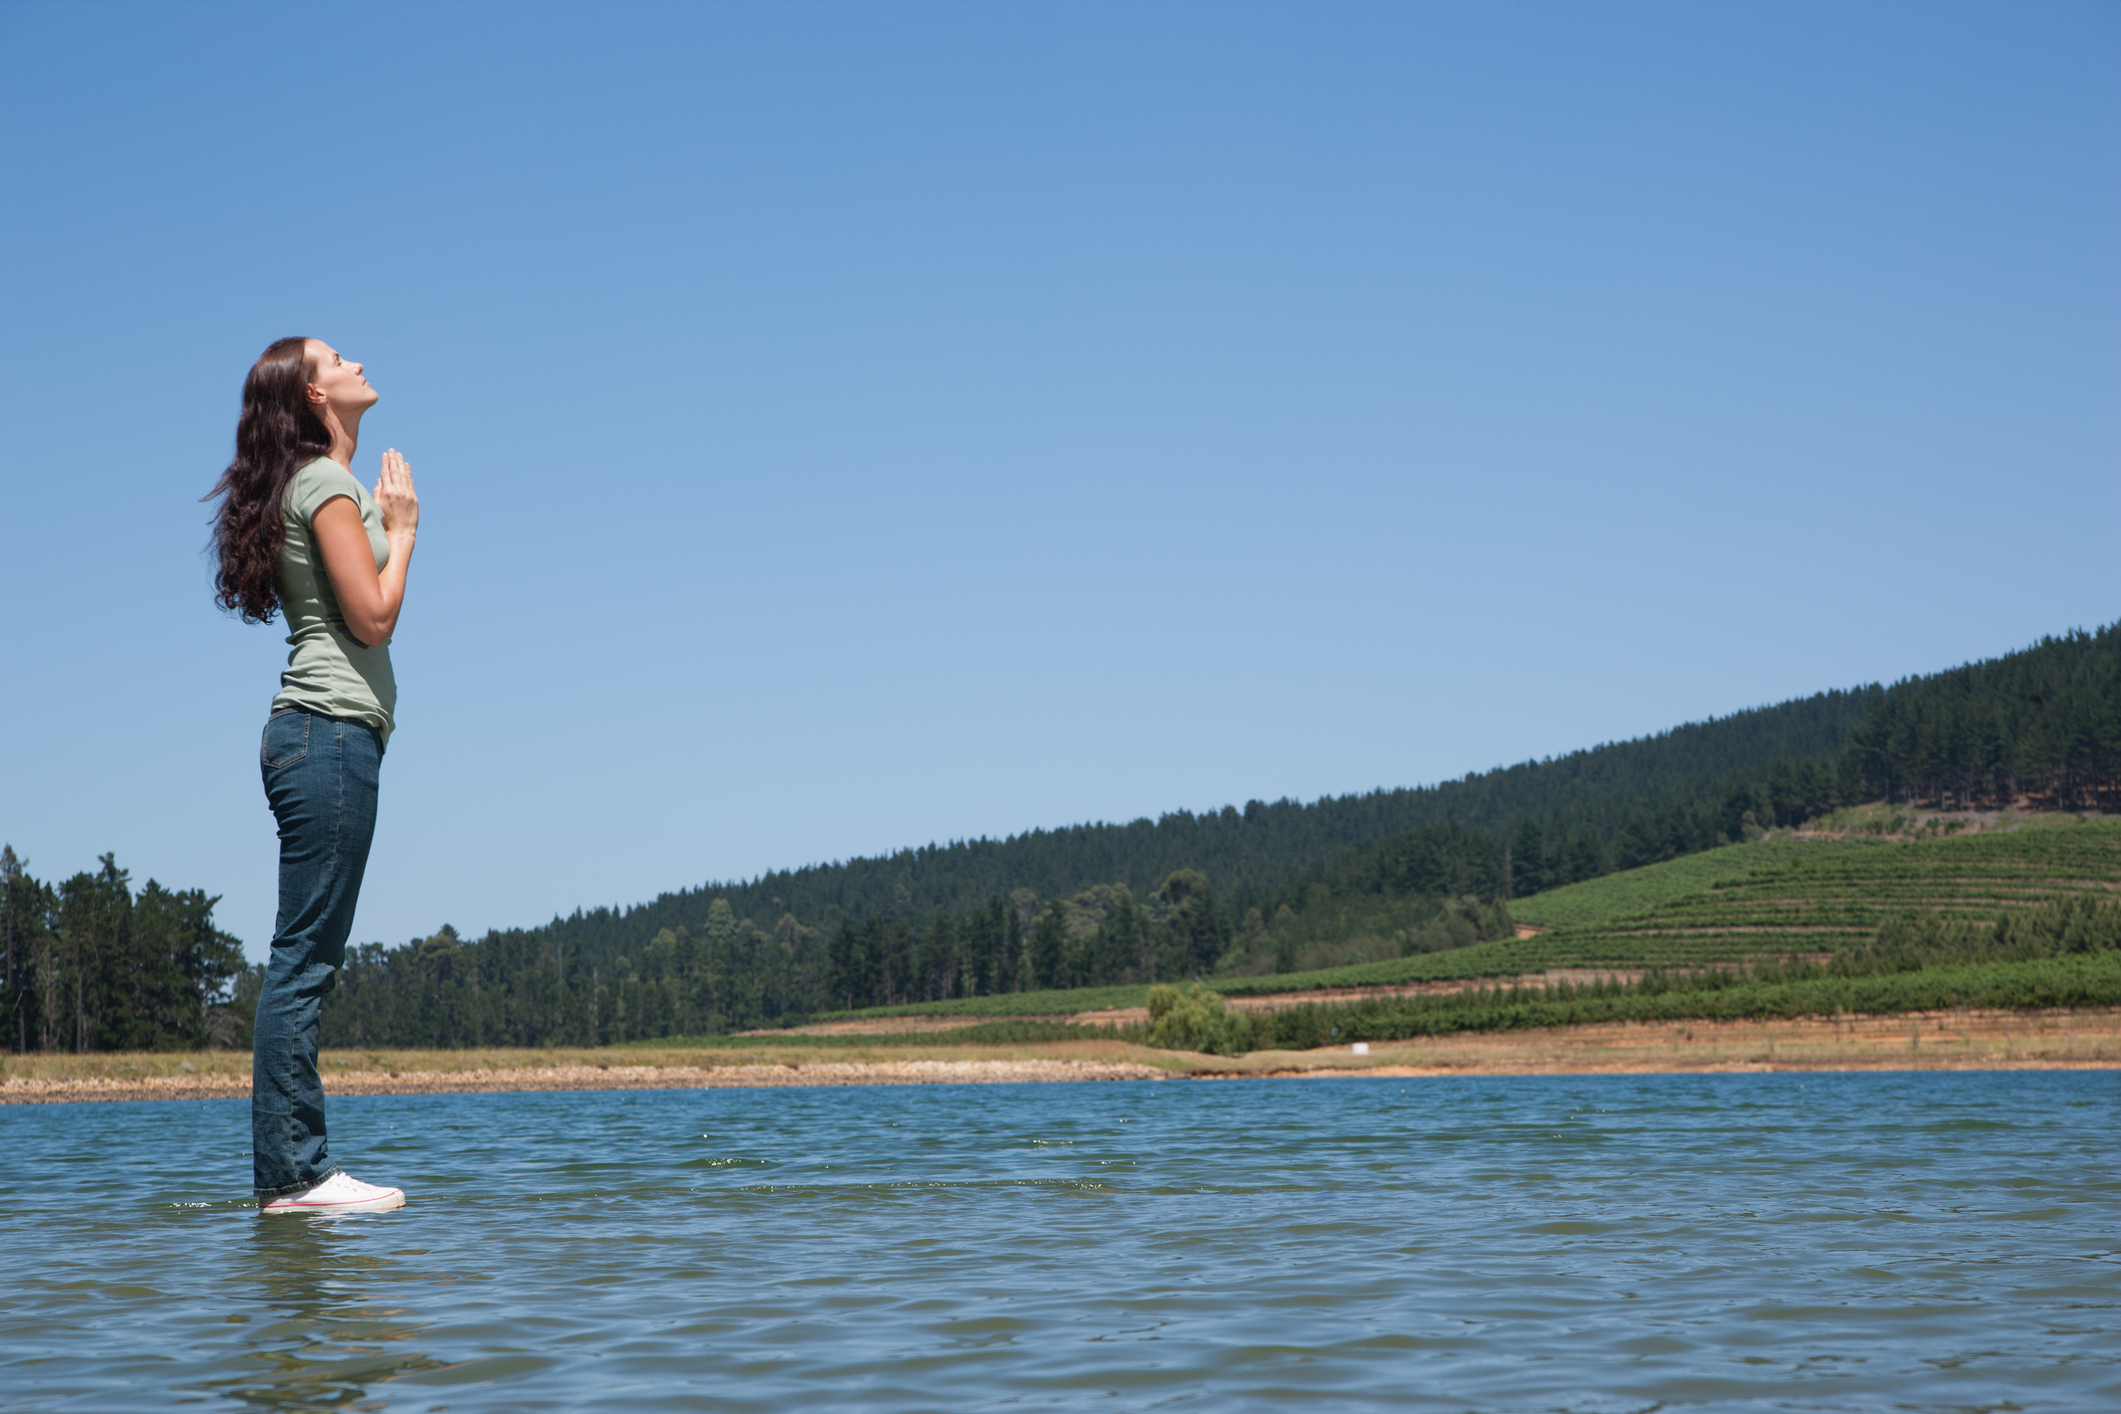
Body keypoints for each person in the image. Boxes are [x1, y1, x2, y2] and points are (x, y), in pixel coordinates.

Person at [207, 337, 418, 1215]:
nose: (356, 361)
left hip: (323, 740)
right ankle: (297, 1176)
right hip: (326, 738)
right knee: (305, 961)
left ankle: (290, 1175)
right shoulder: (325, 485)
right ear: (312, 395)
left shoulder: (323, 484)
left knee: (306, 957)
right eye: (337, 357)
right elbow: (372, 617)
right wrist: (402, 532)